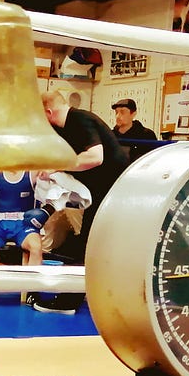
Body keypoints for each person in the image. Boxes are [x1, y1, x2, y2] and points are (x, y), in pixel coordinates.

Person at [31, 91, 129, 313]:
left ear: (48, 112)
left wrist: (58, 166)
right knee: (87, 243)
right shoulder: (63, 129)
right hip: (101, 192)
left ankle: (69, 302)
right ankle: (81, 298)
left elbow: (95, 157)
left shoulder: (80, 120)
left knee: (87, 244)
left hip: (114, 191)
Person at [0, 171, 46, 267]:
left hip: (23, 225)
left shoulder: (33, 173)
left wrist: (49, 209)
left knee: (36, 247)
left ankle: (33, 281)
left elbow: (57, 171)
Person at [110, 97, 157, 163]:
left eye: (122, 112)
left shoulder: (146, 135)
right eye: (116, 112)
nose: (118, 116)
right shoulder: (110, 135)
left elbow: (151, 159)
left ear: (133, 114)